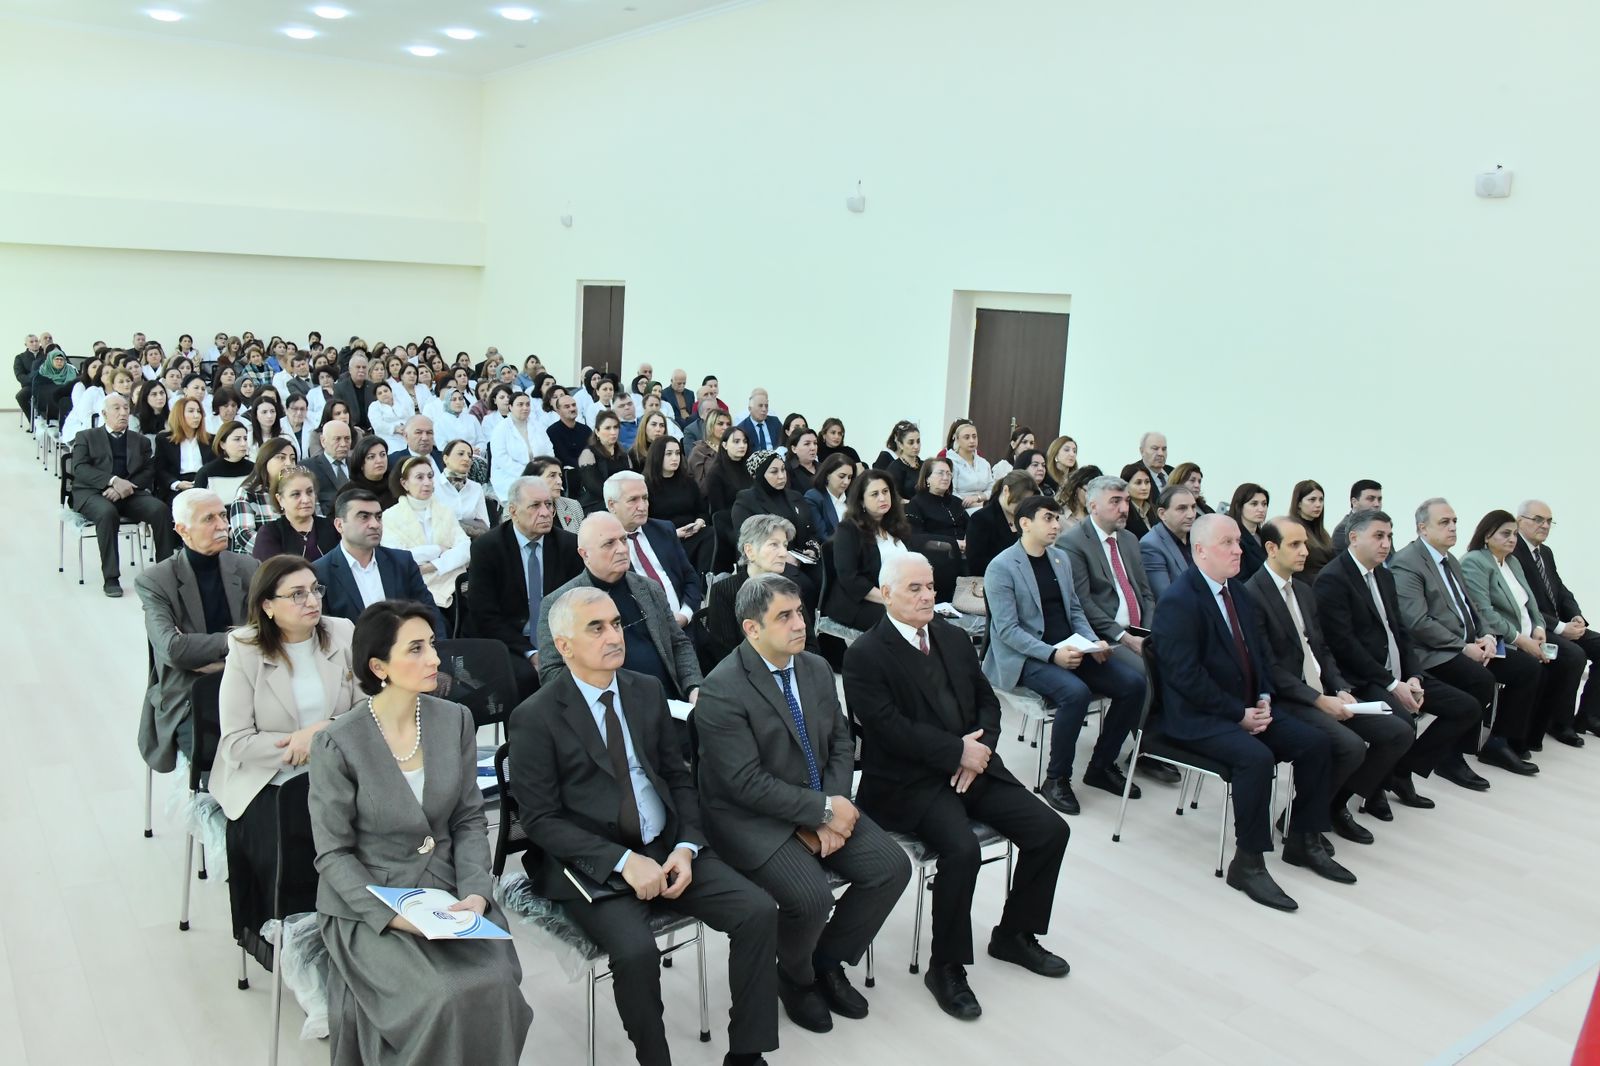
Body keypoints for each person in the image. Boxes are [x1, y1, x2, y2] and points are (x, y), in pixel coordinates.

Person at [508, 587, 777, 1066]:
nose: (614, 636)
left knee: (757, 911)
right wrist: (622, 861)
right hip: (591, 862)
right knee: (636, 953)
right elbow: (541, 820)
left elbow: (678, 777)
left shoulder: (645, 690)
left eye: (616, 624)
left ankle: (747, 1053)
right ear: (564, 645)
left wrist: (687, 846)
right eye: (596, 628)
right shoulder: (535, 716)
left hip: (666, 845)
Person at [844, 553, 1071, 1020]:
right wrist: (955, 752)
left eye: (930, 586)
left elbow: (988, 701)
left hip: (973, 766)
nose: (927, 596)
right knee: (961, 850)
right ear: (886, 594)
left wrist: (979, 750)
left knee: (1050, 830)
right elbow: (886, 728)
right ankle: (946, 967)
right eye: (915, 588)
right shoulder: (865, 653)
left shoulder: (952, 635)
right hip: (909, 781)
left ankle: (1013, 935)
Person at [309, 600, 532, 1065]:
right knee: (442, 998)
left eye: (431, 644)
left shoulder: (454, 719)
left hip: (448, 891)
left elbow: (468, 819)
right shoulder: (337, 742)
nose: (434, 658)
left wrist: (476, 892)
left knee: (497, 986)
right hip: (370, 904)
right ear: (379, 667)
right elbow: (333, 854)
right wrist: (395, 917)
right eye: (416, 649)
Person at [695, 574, 909, 1032]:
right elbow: (744, 783)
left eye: (800, 613)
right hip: (753, 818)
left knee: (891, 867)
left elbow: (840, 741)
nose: (800, 624)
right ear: (752, 629)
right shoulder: (722, 689)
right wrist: (822, 811)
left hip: (818, 798)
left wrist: (832, 804)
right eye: (784, 617)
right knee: (811, 898)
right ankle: (794, 978)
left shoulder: (814, 667)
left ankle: (824, 963)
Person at [1150, 514, 1352, 912]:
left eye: (1239, 542)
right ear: (1200, 551)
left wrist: (1262, 695)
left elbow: (1258, 653)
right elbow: (1185, 677)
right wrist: (1237, 714)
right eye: (1227, 543)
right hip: (1198, 717)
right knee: (1255, 759)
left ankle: (1303, 838)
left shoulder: (1237, 592)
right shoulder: (1179, 601)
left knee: (1315, 743)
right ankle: (1248, 862)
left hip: (1245, 706)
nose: (1238, 550)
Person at [213, 556, 357, 966]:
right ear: (267, 605)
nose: (312, 600)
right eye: (297, 594)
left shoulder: (341, 632)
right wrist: (297, 744)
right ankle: (298, 951)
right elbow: (236, 742)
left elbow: (367, 710)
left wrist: (320, 732)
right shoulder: (245, 649)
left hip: (336, 772)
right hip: (268, 781)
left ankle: (353, 943)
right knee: (292, 844)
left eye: (314, 589)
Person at [1246, 518, 1415, 845]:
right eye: (1295, 545)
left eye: (1305, 544)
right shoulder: (1253, 594)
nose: (1304, 551)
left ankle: (1332, 806)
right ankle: (1302, 819)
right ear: (1271, 548)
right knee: (1349, 746)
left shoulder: (1303, 591)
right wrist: (1318, 699)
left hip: (1324, 690)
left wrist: (1340, 687)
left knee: (1398, 732)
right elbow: (1268, 667)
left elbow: (1321, 649)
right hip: (1288, 698)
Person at [982, 495, 1147, 815]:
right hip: (1027, 656)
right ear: (1025, 523)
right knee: (1075, 693)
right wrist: (1052, 654)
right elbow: (1007, 631)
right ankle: (1056, 778)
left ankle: (1101, 766)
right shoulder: (1001, 567)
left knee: (1134, 684)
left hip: (1070, 647)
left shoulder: (1059, 559)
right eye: (1048, 518)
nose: (1056, 525)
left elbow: (1074, 609)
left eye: (1057, 518)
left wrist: (1091, 642)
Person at [1314, 508, 1491, 797]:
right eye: (1379, 536)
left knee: (1466, 708)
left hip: (1397, 673)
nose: (1386, 544)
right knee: (1403, 725)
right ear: (1354, 538)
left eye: (1389, 536)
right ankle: (1348, 798)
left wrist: (1414, 676)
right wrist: (1392, 684)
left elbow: (1402, 632)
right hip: (1365, 677)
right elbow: (1344, 646)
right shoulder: (1333, 578)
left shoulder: (1383, 575)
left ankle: (1397, 773)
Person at [1392, 499, 1545, 774]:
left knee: (1527, 668)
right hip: (1432, 651)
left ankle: (1498, 744)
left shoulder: (1450, 559)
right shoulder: (1407, 563)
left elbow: (1471, 607)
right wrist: (1463, 647)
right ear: (1423, 528)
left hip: (1468, 643)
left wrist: (1486, 636)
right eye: (1444, 522)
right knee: (1480, 680)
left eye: (1454, 521)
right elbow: (1418, 623)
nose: (1453, 527)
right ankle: (1449, 758)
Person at [136, 489, 258, 771]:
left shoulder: (248, 567)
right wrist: (239, 641)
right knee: (221, 764)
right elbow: (173, 649)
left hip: (250, 680)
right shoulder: (155, 580)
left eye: (223, 516)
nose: (223, 525)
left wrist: (216, 659)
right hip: (190, 694)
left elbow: (269, 634)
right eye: (209, 519)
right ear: (182, 530)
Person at [537, 513, 705, 702]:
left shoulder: (649, 588)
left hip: (670, 701)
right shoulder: (560, 603)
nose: (622, 549)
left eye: (624, 540)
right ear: (585, 554)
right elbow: (551, 672)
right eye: (609, 544)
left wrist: (693, 687)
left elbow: (679, 644)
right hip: (609, 708)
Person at [1462, 509, 1586, 750]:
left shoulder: (1512, 562)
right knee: (1531, 669)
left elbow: (1531, 604)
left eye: (1514, 534)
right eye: (1505, 534)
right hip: (1496, 639)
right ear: (1487, 535)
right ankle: (1501, 742)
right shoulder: (1475, 562)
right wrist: (1520, 639)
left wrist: (1539, 627)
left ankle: (1528, 738)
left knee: (1557, 664)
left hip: (1527, 636)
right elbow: (1485, 613)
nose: (1512, 539)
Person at [465, 475, 583, 698]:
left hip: (556, 637)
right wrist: (530, 653)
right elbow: (484, 614)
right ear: (513, 511)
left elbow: (577, 602)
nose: (545, 512)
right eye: (535, 506)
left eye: (549, 504)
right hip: (506, 640)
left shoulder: (568, 545)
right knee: (525, 679)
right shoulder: (487, 548)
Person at [70, 394, 179, 596]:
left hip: (130, 492)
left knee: (160, 509)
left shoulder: (141, 441)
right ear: (104, 413)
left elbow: (148, 470)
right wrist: (112, 481)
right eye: (116, 408)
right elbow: (80, 469)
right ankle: (111, 578)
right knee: (106, 513)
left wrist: (125, 487)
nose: (123, 413)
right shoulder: (86, 436)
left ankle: (165, 573)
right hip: (93, 493)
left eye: (126, 408)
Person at [1514, 499, 1600, 736]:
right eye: (1538, 519)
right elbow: (1521, 603)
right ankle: (1559, 722)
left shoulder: (1545, 552)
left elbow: (1560, 590)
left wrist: (1576, 616)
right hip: (1532, 626)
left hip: (1556, 623)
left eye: (1549, 521)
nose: (1544, 525)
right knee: (1574, 655)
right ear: (1519, 521)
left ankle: (1589, 716)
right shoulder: (1512, 552)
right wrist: (1561, 628)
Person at [1058, 475, 1157, 675]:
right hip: (1107, 638)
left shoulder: (1129, 539)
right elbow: (1083, 602)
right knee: (1150, 672)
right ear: (1093, 506)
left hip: (1140, 632)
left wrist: (1145, 635)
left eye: (1126, 501)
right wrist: (1125, 638)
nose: (1124, 509)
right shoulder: (1073, 543)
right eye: (1115, 501)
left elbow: (1146, 593)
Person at [313, 488, 444, 637]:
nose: (375, 524)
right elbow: (322, 632)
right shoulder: (320, 572)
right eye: (364, 517)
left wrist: (437, 648)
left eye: (378, 517)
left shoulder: (402, 562)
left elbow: (429, 613)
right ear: (339, 525)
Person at [707, 514, 817, 663]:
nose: (784, 553)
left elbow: (810, 644)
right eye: (774, 545)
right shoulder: (723, 591)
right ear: (750, 551)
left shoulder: (789, 586)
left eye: (785, 545)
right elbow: (726, 654)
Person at [604, 470, 704, 627]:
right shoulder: (604, 546)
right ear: (612, 505)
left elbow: (690, 577)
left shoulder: (664, 530)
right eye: (633, 500)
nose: (642, 506)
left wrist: (685, 615)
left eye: (645, 498)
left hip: (686, 626)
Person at [381, 457, 472, 608]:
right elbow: (399, 557)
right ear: (404, 483)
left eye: (430, 476)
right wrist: (438, 550)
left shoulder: (445, 511)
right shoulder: (390, 517)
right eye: (420, 477)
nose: (427, 482)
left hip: (452, 584)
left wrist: (433, 566)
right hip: (414, 589)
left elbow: (465, 548)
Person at [827, 470, 911, 630]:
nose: (882, 498)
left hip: (896, 595)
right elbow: (849, 578)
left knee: (929, 616)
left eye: (885, 491)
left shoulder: (896, 525)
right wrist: (890, 599)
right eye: (874, 494)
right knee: (903, 620)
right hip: (859, 601)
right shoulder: (848, 529)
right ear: (862, 502)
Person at [643, 436, 713, 572]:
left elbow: (702, 511)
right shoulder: (646, 485)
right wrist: (673, 533)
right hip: (665, 538)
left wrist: (699, 522)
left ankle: (704, 580)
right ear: (657, 456)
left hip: (692, 533)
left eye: (677, 453)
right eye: (669, 454)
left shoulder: (688, 482)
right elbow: (646, 523)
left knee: (711, 533)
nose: (675, 458)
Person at [252, 465, 340, 562]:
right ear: (280, 499)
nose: (306, 500)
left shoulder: (333, 527)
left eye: (309, 492)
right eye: (296, 494)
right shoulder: (270, 533)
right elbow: (272, 570)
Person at [226, 438, 298, 555]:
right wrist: (280, 552)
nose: (289, 464)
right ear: (265, 461)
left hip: (298, 557)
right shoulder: (248, 492)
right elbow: (243, 534)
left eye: (293, 459)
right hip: (258, 560)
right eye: (281, 458)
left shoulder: (301, 489)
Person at [963, 470, 1033, 578]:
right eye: (1019, 500)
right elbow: (976, 563)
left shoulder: (1027, 517)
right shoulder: (981, 519)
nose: (1022, 506)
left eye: (1027, 502)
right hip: (995, 579)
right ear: (1006, 490)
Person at [1139, 485, 1198, 601]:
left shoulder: (1198, 536)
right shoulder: (1150, 545)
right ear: (1162, 514)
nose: (1191, 515)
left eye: (1193, 507)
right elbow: (1167, 598)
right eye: (1182, 508)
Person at [155, 396, 211, 503]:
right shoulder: (164, 440)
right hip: (177, 485)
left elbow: (214, 467)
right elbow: (160, 470)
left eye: (199, 411)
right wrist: (177, 484)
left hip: (204, 484)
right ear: (179, 415)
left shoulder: (210, 440)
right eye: (191, 411)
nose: (196, 415)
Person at [577, 410, 631, 514]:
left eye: (616, 427)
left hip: (621, 500)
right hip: (596, 502)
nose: (613, 432)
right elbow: (595, 487)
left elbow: (630, 478)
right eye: (608, 428)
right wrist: (620, 499)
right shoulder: (588, 453)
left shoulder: (623, 454)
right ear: (597, 432)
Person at [435, 438, 490, 537]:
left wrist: (451, 524)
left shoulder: (476, 488)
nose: (466, 459)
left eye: (470, 456)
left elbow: (485, 527)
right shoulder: (433, 486)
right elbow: (432, 524)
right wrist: (469, 525)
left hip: (472, 542)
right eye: (460, 454)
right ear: (446, 459)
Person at [304, 420, 354, 516]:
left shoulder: (357, 465)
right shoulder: (308, 467)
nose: (343, 444)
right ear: (323, 441)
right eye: (337, 439)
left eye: (347, 439)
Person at [525, 455, 585, 534]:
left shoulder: (573, 506)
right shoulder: (519, 510)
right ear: (533, 480)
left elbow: (584, 539)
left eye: (560, 476)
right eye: (552, 475)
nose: (559, 481)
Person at [1291, 480, 1335, 583]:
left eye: (1321, 500)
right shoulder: (1292, 530)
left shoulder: (1323, 533)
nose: (1318, 504)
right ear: (1299, 503)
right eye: (1312, 500)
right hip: (1308, 586)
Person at [944, 419, 993, 511]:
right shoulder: (950, 463)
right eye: (967, 437)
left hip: (984, 506)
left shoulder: (984, 463)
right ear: (957, 440)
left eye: (974, 437)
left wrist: (978, 498)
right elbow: (951, 493)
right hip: (962, 509)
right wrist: (977, 505)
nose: (972, 441)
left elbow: (992, 489)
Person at [704, 426, 754, 515]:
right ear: (725, 445)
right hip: (731, 518)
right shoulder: (715, 473)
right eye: (736, 442)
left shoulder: (751, 466)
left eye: (745, 441)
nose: (742, 446)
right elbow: (718, 511)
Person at [871, 420, 923, 503]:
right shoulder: (895, 468)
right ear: (901, 445)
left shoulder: (924, 465)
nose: (916, 446)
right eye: (911, 442)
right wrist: (915, 504)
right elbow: (893, 497)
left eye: (918, 441)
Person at [807, 453, 855, 542]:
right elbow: (822, 536)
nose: (846, 482)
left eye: (849, 477)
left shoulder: (852, 498)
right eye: (841, 476)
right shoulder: (814, 498)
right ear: (827, 475)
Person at [1229, 482, 1270, 580]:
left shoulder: (1265, 536)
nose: (1261, 509)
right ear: (1239, 506)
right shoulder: (1235, 539)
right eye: (1254, 504)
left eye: (1264, 504)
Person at [1329, 479, 1383, 550]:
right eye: (1370, 499)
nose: (1377, 504)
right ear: (1354, 502)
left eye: (1379, 499)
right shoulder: (1343, 530)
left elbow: (1391, 556)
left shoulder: (1382, 526)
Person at [346, 434, 396, 510]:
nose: (379, 460)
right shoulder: (349, 492)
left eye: (383, 455)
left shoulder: (396, 486)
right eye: (371, 457)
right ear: (360, 463)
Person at [687, 406, 731, 489]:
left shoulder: (733, 448)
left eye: (728, 424)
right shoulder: (699, 451)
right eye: (720, 424)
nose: (725, 427)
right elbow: (699, 485)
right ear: (711, 426)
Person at [331, 351, 377, 426]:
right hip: (350, 428)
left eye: (364, 367)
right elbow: (337, 413)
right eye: (358, 367)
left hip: (372, 428)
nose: (361, 370)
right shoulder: (340, 388)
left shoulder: (373, 387)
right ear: (350, 370)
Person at [1054, 465, 1102, 532]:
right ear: (1077, 488)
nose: (1092, 497)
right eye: (1089, 491)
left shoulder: (1098, 518)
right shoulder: (1059, 516)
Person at [736, 387, 783, 451]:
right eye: (760, 406)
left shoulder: (775, 422)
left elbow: (784, 442)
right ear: (750, 409)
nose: (764, 409)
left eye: (766, 406)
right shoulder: (742, 428)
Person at [1119, 463, 1155, 538]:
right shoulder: (1122, 513)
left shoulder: (1155, 510)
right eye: (1138, 483)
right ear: (1125, 485)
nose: (1144, 487)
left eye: (1147, 482)